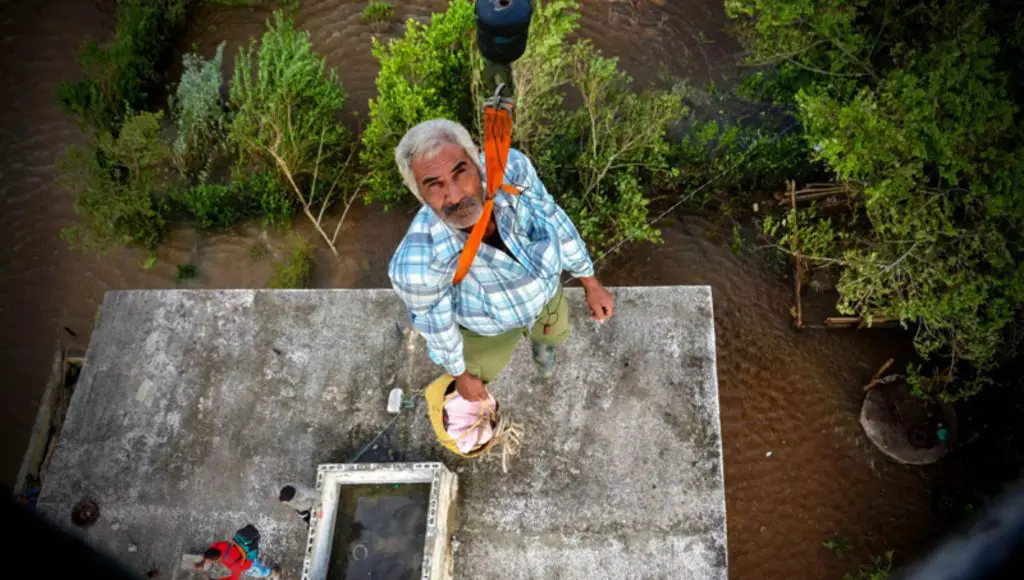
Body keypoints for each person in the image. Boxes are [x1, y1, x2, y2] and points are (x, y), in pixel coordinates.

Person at [389, 119, 615, 402]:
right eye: (435, 185)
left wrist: (589, 280)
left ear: (477, 162)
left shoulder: (511, 170)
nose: (455, 196)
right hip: (487, 328)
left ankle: (543, 347)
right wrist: (460, 374)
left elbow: (550, 216)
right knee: (477, 378)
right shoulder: (418, 264)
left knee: (553, 333)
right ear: (419, 194)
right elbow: (437, 323)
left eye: (460, 172)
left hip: (545, 297)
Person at [195, 525, 278, 580]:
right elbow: (208, 553)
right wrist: (202, 562)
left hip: (249, 564)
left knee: (260, 572)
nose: (209, 562)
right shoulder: (217, 546)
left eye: (211, 562)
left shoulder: (232, 563)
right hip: (242, 548)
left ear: (218, 559)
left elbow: (233, 579)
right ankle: (259, 557)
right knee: (254, 556)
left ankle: (274, 572)